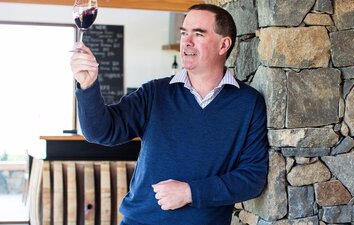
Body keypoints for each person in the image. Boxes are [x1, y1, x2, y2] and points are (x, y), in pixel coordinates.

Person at [70, 3, 268, 225]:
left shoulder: (248, 103)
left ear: (224, 45)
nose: (187, 41)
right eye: (184, 33)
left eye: (198, 34)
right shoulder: (155, 93)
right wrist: (88, 86)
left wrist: (190, 192)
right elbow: (102, 132)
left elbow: (253, 178)